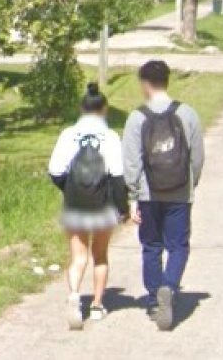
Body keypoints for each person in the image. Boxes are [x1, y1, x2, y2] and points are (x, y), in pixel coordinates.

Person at [122, 60, 204, 331]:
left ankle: (155, 300)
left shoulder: (137, 117)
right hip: (179, 192)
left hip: (148, 194)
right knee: (178, 246)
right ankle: (169, 286)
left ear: (145, 84)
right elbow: (197, 157)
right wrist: (190, 184)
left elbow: (131, 162)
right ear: (167, 81)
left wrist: (132, 196)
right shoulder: (187, 113)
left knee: (151, 246)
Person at [49, 83, 129, 330]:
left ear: (81, 109)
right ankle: (96, 305)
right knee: (100, 255)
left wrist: (69, 189)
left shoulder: (67, 134)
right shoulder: (111, 137)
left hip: (75, 205)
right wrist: (122, 208)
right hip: (103, 205)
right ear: (104, 110)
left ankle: (75, 295)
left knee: (78, 256)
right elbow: (118, 176)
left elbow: (55, 171)